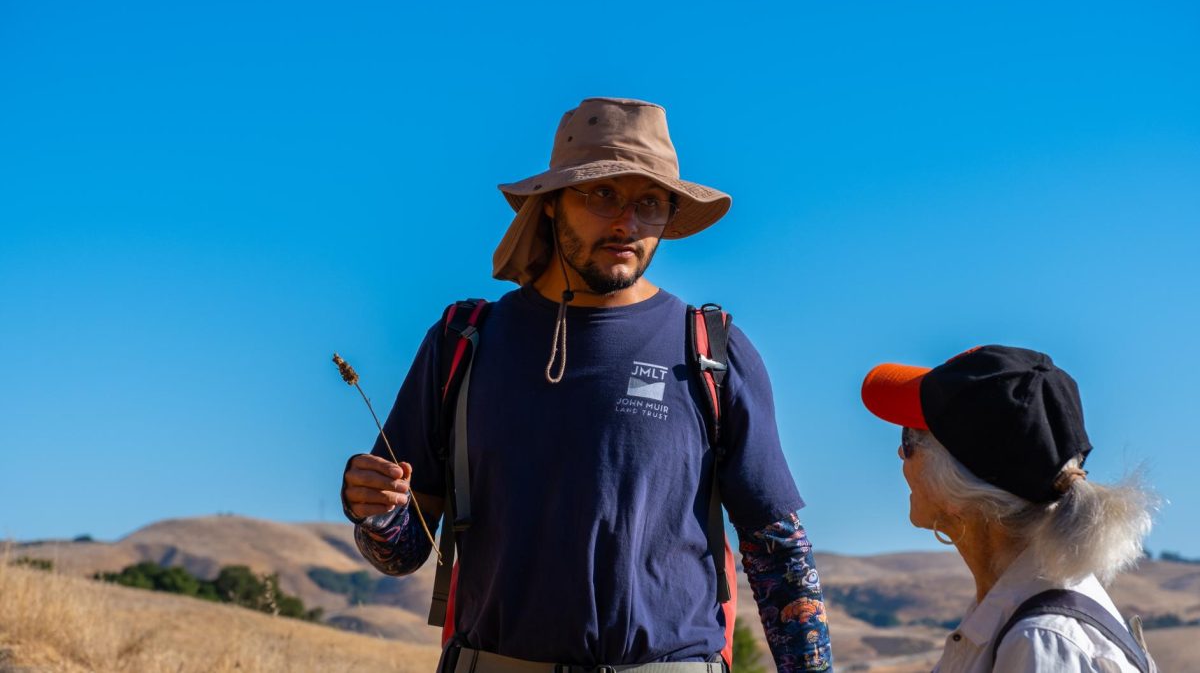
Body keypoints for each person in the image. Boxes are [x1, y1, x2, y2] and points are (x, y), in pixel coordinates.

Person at [340, 98, 832, 672]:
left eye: (649, 203)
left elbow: (780, 558)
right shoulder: (464, 343)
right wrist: (374, 512)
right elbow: (401, 553)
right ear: (551, 205)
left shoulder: (710, 350)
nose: (627, 223)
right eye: (603, 195)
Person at [860, 345, 1156, 672]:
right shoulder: (1019, 614)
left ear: (957, 488)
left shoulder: (1040, 641)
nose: (901, 455)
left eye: (910, 439)